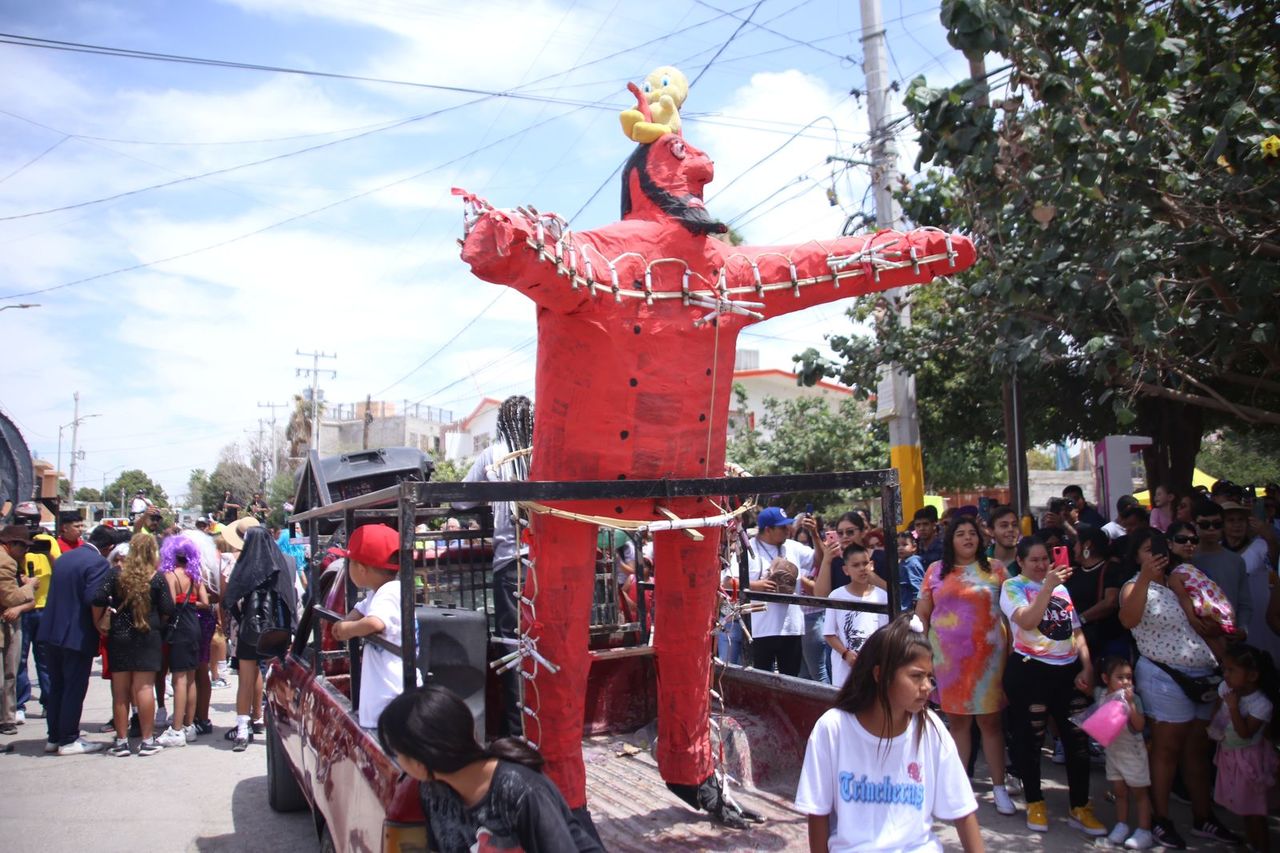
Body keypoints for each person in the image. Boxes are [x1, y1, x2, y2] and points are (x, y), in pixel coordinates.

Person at [795, 614, 984, 853]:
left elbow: (963, 810)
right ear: (880, 675)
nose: (927, 687)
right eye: (916, 676)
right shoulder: (832, 728)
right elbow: (817, 812)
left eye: (930, 678)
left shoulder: (931, 729)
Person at [1118, 528, 1240, 848]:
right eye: (1148, 550)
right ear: (1135, 556)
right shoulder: (1133, 585)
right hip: (1164, 678)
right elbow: (1128, 619)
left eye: (1159, 549)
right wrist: (1145, 577)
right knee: (1166, 751)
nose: (1156, 555)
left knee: (1196, 752)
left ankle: (1204, 818)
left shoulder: (1180, 581)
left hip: (1202, 677)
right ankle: (1161, 819)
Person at [377, 685, 603, 852]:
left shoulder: (521, 790)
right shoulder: (432, 791)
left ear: (419, 761)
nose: (398, 762)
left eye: (398, 754)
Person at [1000, 536, 1105, 836]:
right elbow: (1028, 621)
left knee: (1077, 742)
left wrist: (1086, 666)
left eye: (1045, 558)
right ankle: (1035, 800)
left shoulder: (1060, 587)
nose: (1041, 564)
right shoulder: (1013, 587)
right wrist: (1046, 586)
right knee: (1029, 740)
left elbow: (1076, 631)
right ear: (1020, 562)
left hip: (1068, 672)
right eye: (1033, 559)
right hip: (1030, 672)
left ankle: (1080, 805)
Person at [915, 515, 1011, 812]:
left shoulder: (996, 569)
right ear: (951, 539)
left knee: (990, 722)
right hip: (948, 661)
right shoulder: (935, 571)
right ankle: (960, 790)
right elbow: (922, 614)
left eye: (973, 533)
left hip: (989, 660)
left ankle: (999, 787)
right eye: (961, 534)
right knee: (958, 722)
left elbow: (1012, 612)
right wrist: (918, 653)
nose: (968, 538)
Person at [458, 394, 533, 737]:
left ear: (502, 422)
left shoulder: (493, 454)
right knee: (548, 644)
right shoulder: (544, 452)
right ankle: (551, 725)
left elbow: (461, 499)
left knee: (512, 646)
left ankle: (519, 731)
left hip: (511, 565)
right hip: (548, 565)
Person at [330, 524, 419, 729]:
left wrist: (347, 630)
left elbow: (374, 622)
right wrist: (346, 621)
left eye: (349, 562)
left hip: (393, 692)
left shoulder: (390, 591)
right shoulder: (378, 592)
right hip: (387, 689)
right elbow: (361, 610)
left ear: (361, 568)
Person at [36, 523, 114, 754]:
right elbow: (95, 598)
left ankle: (54, 736)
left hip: (51, 631)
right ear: (108, 547)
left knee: (56, 686)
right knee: (73, 687)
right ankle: (69, 738)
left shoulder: (64, 558)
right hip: (76, 635)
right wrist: (101, 625)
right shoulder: (98, 562)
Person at [94, 533, 171, 757]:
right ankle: (147, 740)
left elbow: (98, 598)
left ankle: (120, 741)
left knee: (120, 693)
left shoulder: (116, 575)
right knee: (145, 689)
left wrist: (99, 623)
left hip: (120, 636)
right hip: (148, 636)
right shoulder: (157, 578)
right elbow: (167, 608)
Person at [222, 524, 296, 751]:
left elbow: (229, 600)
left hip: (249, 633)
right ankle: (277, 725)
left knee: (245, 680)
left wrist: (241, 618)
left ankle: (243, 730)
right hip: (275, 632)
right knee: (275, 678)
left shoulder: (245, 566)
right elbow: (289, 597)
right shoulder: (284, 563)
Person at [1207, 644, 1278, 853]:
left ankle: (1261, 847)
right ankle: (1253, 845)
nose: (1225, 675)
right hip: (1231, 755)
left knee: (1255, 812)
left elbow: (1245, 733)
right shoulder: (1226, 690)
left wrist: (1233, 707)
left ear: (1252, 675)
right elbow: (1216, 713)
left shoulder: (1261, 705)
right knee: (1245, 809)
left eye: (1232, 670)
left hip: (1251, 761)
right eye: (1225, 669)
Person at [749, 507, 824, 676]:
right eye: (782, 527)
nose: (787, 530)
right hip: (761, 629)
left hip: (791, 628)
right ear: (768, 529)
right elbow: (727, 581)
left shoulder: (793, 547)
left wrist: (815, 534)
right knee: (760, 681)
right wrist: (757, 585)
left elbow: (819, 561)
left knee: (791, 681)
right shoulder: (749, 548)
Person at [155, 536, 208, 748]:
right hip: (194, 625)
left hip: (178, 629)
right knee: (191, 677)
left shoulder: (170, 575)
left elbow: (166, 606)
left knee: (179, 678)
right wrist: (191, 603)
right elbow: (205, 602)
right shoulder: (195, 575)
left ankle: (176, 729)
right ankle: (188, 725)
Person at [1096, 657, 1153, 850]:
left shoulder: (1134, 699)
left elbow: (1139, 726)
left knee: (1139, 792)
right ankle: (1121, 824)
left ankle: (1145, 830)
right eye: (1120, 677)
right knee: (1119, 791)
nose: (1126, 682)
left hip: (1133, 752)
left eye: (1129, 677)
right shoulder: (1102, 695)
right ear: (1106, 678)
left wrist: (1131, 706)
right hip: (1113, 752)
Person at [13, 508, 59, 724]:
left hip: (45, 609)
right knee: (19, 660)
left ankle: (48, 703)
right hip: (22, 608)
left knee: (45, 660)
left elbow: (60, 567)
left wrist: (47, 550)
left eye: (32, 520)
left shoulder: (48, 540)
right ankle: (19, 704)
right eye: (24, 520)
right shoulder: (14, 541)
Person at [823, 542, 889, 689]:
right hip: (845, 670)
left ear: (871, 565)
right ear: (846, 570)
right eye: (856, 565)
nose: (862, 569)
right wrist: (846, 654)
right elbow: (829, 633)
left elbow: (886, 634)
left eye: (865, 563)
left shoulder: (882, 596)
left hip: (875, 667)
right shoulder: (836, 596)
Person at [1190, 500, 1251, 640]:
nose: (1211, 529)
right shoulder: (1187, 559)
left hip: (1230, 637)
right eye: (1205, 525)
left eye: (1217, 524)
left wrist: (1242, 629)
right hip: (1195, 637)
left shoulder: (1236, 561)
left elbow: (1245, 603)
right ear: (1194, 525)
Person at [0, 525, 39, 737]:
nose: (26, 551)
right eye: (23, 546)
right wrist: (30, 586)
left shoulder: (12, 562)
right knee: (7, 675)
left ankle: (7, 718)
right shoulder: (5, 561)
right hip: (5, 625)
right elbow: (11, 598)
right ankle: (6, 718)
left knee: (10, 673)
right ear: (11, 544)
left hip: (10, 621)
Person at [1067, 525, 1127, 663]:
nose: (1074, 548)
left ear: (1086, 544)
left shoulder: (1111, 569)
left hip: (1104, 640)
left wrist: (1080, 620)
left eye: (1076, 543)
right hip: (1077, 642)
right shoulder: (1074, 573)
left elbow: (1110, 602)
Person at [896, 531, 925, 611]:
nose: (900, 548)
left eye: (904, 545)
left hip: (909, 609)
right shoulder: (902, 562)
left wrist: (916, 609)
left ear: (914, 547)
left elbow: (918, 588)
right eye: (897, 545)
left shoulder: (912, 563)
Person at [988, 505, 1020, 575]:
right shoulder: (981, 560)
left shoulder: (1027, 558)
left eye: (1014, 525)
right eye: (1004, 525)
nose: (1011, 529)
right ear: (991, 531)